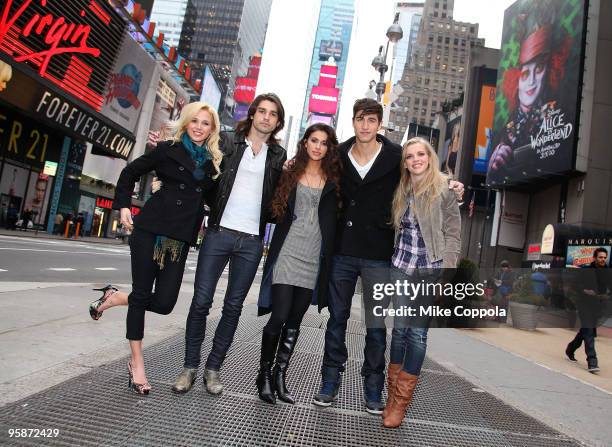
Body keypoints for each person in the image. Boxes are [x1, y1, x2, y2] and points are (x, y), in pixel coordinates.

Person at [312, 98, 464, 414]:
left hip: (380, 254)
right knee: (337, 320)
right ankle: (330, 381)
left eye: (371, 120)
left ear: (380, 124)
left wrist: (452, 184)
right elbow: (312, 166)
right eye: (359, 119)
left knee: (376, 326)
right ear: (352, 122)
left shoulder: (396, 156)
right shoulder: (339, 154)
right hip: (343, 250)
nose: (365, 125)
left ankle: (373, 388)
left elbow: (422, 175)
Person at [87, 101, 223, 394]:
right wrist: (122, 204)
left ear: (212, 129)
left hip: (178, 240)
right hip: (149, 230)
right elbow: (130, 173)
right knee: (140, 297)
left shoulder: (212, 165)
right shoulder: (166, 150)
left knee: (163, 303)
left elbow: (214, 201)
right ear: (186, 122)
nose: (199, 127)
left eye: (206, 123)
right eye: (195, 121)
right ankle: (136, 364)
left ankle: (114, 296)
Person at [171, 93, 287, 395]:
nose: (266, 117)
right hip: (219, 232)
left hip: (251, 241)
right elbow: (203, 172)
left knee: (233, 307)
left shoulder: (278, 155)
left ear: (277, 122)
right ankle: (190, 366)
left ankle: (213, 369)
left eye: (272, 114)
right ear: (252, 114)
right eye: (261, 111)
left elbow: (277, 196)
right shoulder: (226, 140)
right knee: (201, 302)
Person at [255, 123, 342, 404]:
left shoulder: (334, 180)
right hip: (288, 252)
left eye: (323, 142)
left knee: (294, 320)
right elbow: (270, 207)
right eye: (313, 140)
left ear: (329, 148)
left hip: (313, 258)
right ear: (305, 143)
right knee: (278, 316)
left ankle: (281, 375)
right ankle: (264, 373)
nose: (317, 146)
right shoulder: (290, 172)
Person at [382, 137, 461, 428]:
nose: (416, 159)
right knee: (400, 333)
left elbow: (454, 234)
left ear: (429, 157)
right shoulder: (401, 189)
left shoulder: (444, 189)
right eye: (410, 156)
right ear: (404, 162)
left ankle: (401, 404)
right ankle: (391, 396)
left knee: (417, 336)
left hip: (430, 271)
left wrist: (448, 274)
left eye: (421, 154)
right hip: (401, 268)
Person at [487, 14, 571, 181]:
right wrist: (492, 168)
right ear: (515, 79)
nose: (531, 81)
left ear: (549, 70)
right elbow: (493, 180)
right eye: (525, 73)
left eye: (539, 68)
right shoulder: (503, 131)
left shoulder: (559, 115)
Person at [565, 247, 610, 373]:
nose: (603, 259)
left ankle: (570, 349)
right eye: (600, 257)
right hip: (584, 304)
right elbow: (574, 285)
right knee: (589, 332)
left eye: (604, 257)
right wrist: (585, 291)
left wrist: (607, 295)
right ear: (594, 258)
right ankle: (592, 361)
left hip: (598, 306)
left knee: (585, 331)